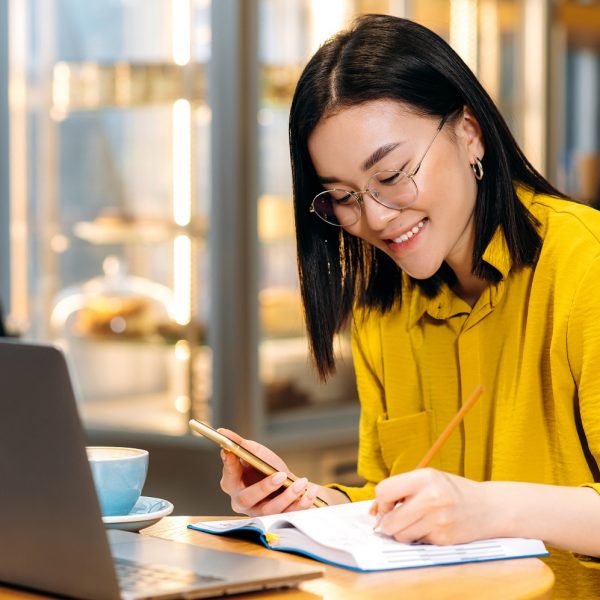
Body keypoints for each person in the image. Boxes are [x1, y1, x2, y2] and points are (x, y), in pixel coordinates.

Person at [219, 15, 600, 597]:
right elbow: (393, 502)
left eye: (392, 175)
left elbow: (471, 510)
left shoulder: (585, 268)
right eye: (342, 198)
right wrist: (307, 504)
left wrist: (488, 507)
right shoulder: (382, 310)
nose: (373, 218)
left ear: (469, 132)